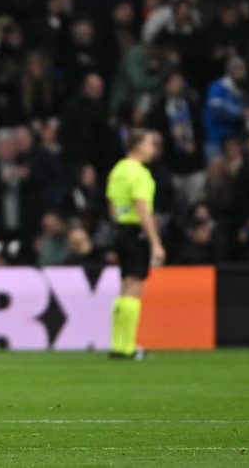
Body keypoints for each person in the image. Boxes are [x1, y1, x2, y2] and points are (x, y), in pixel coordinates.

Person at [105, 128, 162, 360]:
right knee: (135, 284)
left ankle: (118, 344)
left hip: (120, 229)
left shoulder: (117, 170)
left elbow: (111, 205)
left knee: (125, 284)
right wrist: (155, 242)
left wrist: (119, 229)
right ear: (138, 146)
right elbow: (142, 208)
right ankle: (129, 346)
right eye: (150, 144)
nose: (153, 150)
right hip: (135, 230)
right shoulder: (139, 173)